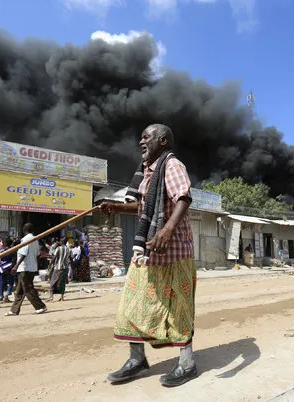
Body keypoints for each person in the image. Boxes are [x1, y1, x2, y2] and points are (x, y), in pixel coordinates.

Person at [101, 123, 197, 387]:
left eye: (146, 137)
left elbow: (184, 198)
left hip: (174, 253)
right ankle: (136, 359)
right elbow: (145, 208)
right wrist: (117, 207)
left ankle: (187, 364)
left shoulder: (172, 165)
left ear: (163, 140)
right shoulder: (146, 172)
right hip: (147, 253)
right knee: (130, 307)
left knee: (178, 310)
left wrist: (166, 230)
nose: (141, 142)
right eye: (140, 138)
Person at [5, 223, 47, 316]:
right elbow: (37, 255)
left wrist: (16, 265)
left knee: (28, 288)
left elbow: (23, 253)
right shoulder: (36, 240)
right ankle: (14, 310)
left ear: (24, 230)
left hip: (25, 267)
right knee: (19, 290)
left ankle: (40, 306)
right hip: (30, 267)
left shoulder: (25, 240)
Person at [48, 237, 69, 302]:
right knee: (62, 282)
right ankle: (62, 297)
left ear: (62, 241)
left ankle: (51, 297)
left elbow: (54, 257)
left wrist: (49, 264)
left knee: (52, 282)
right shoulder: (68, 249)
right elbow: (70, 258)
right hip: (65, 268)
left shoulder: (58, 248)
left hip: (58, 267)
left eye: (60, 241)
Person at [0, 238, 16, 303]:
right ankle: (7, 294)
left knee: (1, 283)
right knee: (11, 282)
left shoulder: (1, 250)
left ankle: (0, 297)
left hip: (1, 268)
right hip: (8, 267)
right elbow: (13, 260)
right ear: (11, 244)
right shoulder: (12, 251)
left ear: (4, 244)